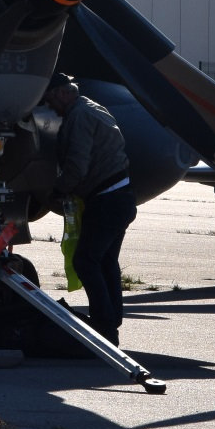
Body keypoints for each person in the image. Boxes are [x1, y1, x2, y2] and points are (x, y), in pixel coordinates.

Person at [43, 71, 135, 344]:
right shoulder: (92, 107)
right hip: (120, 198)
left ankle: (105, 325)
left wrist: (56, 191)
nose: (49, 107)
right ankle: (111, 324)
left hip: (107, 201)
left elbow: (77, 167)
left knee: (85, 260)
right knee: (105, 261)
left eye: (49, 99)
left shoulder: (79, 117)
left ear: (61, 93)